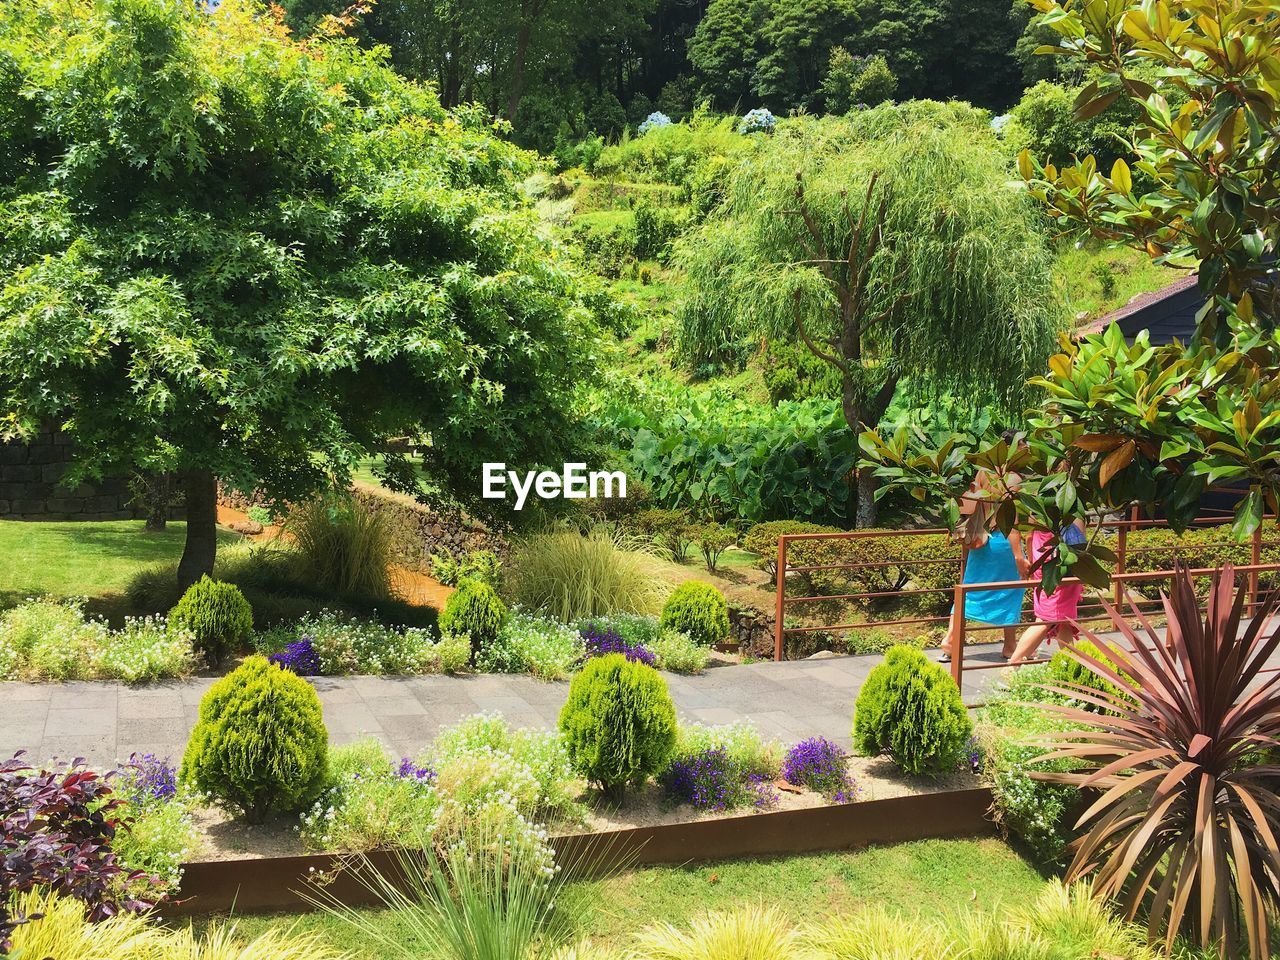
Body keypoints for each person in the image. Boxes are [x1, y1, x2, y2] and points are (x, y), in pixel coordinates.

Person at [939, 468, 1027, 663]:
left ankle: (951, 641)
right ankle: (1010, 645)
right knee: (1012, 590)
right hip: (1003, 543)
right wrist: (1019, 556)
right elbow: (1011, 522)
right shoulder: (1013, 479)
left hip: (980, 541)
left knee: (969, 590)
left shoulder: (982, 473)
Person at [1007, 517, 1087, 664]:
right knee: (1046, 620)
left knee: (1064, 620)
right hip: (1062, 566)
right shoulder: (1070, 507)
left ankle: (1071, 665)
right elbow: (1080, 536)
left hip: (1043, 562)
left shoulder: (1038, 506)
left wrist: (1032, 565)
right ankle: (1013, 665)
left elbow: (1030, 535)